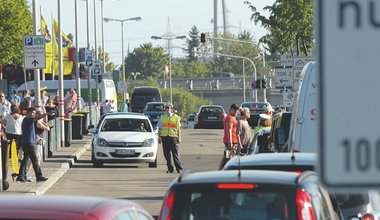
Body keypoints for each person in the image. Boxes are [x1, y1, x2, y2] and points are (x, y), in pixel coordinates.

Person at [16, 107, 52, 183]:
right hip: (29, 143)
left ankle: (20, 176)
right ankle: (39, 176)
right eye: (33, 113)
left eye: (34, 113)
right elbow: (38, 118)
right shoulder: (28, 119)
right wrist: (47, 114)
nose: (34, 114)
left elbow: (37, 118)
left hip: (27, 143)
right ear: (28, 113)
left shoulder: (27, 120)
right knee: (35, 160)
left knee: (25, 161)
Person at [157, 103, 183, 174]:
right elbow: (159, 128)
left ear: (171, 109)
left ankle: (179, 168)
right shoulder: (162, 117)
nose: (167, 109)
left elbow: (179, 129)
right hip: (165, 137)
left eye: (168, 108)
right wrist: (159, 137)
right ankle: (170, 168)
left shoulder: (176, 117)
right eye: (166, 108)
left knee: (175, 154)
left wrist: (179, 137)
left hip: (173, 137)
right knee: (166, 154)